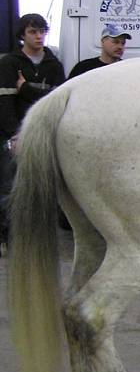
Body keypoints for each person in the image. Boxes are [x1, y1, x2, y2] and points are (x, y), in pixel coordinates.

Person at [0, 13, 66, 250]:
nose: (39, 37)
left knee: (41, 189)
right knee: (10, 188)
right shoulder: (10, 63)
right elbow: (5, 103)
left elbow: (56, 101)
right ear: (22, 35)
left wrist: (26, 89)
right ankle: (7, 237)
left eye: (42, 31)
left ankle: (35, 239)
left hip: (43, 134)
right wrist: (13, 134)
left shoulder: (53, 64)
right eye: (33, 32)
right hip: (15, 134)